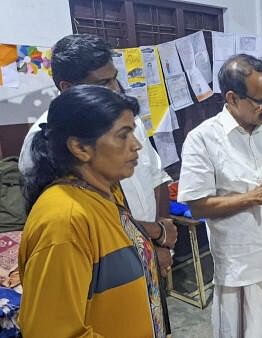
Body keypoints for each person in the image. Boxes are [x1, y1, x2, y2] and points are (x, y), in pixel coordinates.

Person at [18, 34, 177, 274]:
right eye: (103, 84)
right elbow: (85, 221)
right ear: (68, 88)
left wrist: (161, 241)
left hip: (147, 252)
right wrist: (153, 236)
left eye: (115, 78)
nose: (114, 89)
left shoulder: (126, 119)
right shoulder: (44, 140)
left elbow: (156, 177)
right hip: (103, 267)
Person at [19, 85, 167, 337]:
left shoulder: (106, 192)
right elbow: (52, 332)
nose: (137, 145)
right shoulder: (64, 220)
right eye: (123, 135)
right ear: (80, 148)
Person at [177, 54, 262, 337]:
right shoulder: (203, 139)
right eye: (260, 101)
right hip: (244, 266)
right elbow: (198, 206)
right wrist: (253, 197)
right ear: (233, 98)